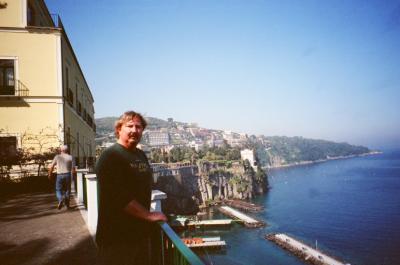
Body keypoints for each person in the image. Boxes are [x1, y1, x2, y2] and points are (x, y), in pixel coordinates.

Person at [96, 111, 167, 265]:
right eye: (130, 126)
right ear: (118, 129)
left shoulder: (141, 155)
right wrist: (149, 216)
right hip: (117, 238)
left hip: (139, 235)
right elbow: (118, 197)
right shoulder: (110, 156)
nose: (135, 130)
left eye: (139, 127)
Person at [48, 145, 76, 210]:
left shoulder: (57, 157)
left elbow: (51, 166)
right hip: (67, 175)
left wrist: (50, 174)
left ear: (61, 150)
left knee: (58, 189)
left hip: (59, 175)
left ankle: (60, 199)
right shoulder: (71, 157)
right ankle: (67, 206)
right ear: (67, 150)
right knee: (67, 190)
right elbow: (73, 169)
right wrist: (74, 176)